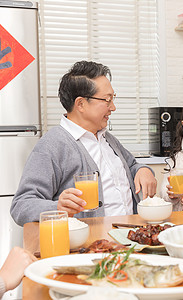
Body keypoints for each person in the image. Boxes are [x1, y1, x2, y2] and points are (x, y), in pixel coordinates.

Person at [11, 61, 157, 226]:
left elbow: (131, 166)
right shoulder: (52, 145)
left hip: (130, 239)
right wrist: (57, 207)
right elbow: (21, 205)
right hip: (94, 246)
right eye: (107, 100)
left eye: (113, 99)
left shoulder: (106, 138)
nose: (113, 107)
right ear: (80, 104)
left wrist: (143, 169)